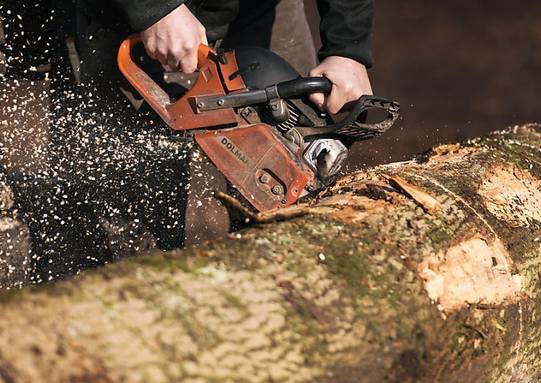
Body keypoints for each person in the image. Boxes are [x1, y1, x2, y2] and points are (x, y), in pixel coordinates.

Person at [2, 0, 378, 282]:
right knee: (125, 229)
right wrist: (153, 7)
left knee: (297, 194)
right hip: (125, 18)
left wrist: (347, 46)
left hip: (256, 7)